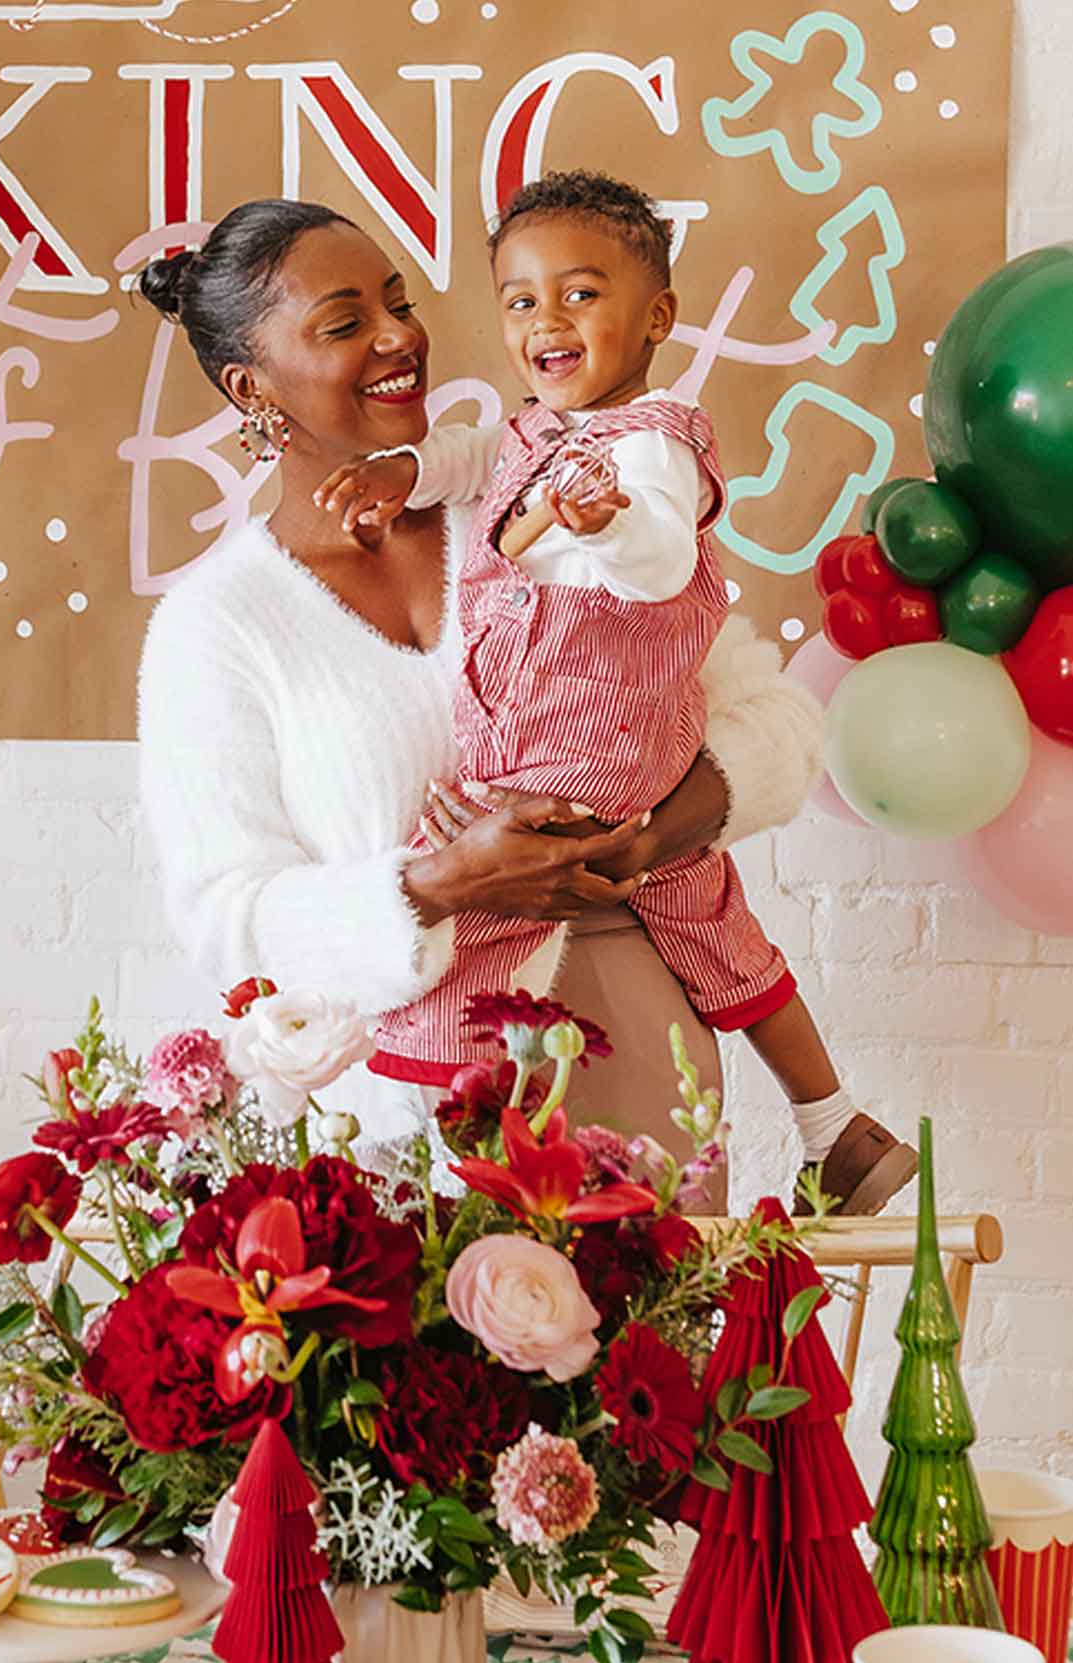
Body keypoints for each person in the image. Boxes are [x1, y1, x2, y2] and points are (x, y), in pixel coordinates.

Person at [134, 198, 827, 1194]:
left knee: (649, 1341)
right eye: (343, 323)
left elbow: (775, 726)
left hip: (632, 1049)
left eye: (397, 302)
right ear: (252, 385)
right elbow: (227, 916)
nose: (397, 338)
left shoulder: (533, 495)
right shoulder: (217, 622)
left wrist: (647, 836)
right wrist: (440, 883)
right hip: (406, 1109)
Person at [314, 172, 915, 1216]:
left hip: (577, 741)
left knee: (467, 895)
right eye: (517, 298)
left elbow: (655, 555)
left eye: (579, 294)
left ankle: (385, 1153)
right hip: (637, 754)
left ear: (655, 318)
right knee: (704, 911)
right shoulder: (530, 433)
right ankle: (833, 1126)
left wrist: (604, 531)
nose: (543, 318)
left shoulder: (649, 440)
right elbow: (471, 457)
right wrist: (403, 475)